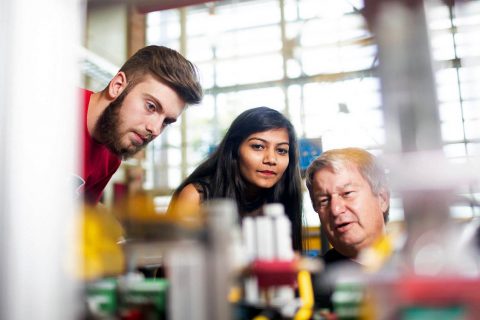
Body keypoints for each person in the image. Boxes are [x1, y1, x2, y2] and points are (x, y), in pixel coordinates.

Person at [77, 45, 203, 204]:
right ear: (117, 86)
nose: (155, 130)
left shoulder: (112, 155)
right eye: (151, 106)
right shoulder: (52, 110)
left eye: (166, 121)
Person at [168, 107, 304, 251]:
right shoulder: (195, 197)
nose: (271, 159)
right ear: (234, 149)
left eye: (281, 150)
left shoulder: (283, 199)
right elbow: (173, 268)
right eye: (258, 146)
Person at [305, 147, 390, 263]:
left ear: (382, 199)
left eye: (347, 193)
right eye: (324, 200)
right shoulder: (307, 279)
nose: (335, 209)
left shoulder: (418, 264)